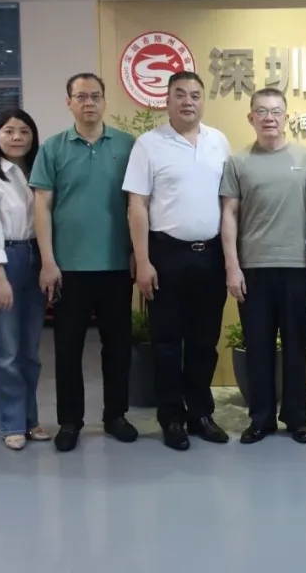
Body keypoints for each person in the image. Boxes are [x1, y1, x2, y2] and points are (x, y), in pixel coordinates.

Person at [124, 71, 231, 451]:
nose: (188, 101)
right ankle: (171, 417)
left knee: (205, 342)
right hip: (166, 254)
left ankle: (201, 413)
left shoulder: (218, 141)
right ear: (167, 101)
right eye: (180, 95)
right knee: (167, 343)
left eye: (195, 95)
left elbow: (228, 203)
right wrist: (143, 260)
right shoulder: (149, 144)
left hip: (211, 255)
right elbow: (137, 205)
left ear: (203, 101)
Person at [30, 73, 137, 452]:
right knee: (68, 348)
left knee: (118, 347)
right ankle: (70, 421)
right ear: (69, 103)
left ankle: (115, 415)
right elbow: (42, 206)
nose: (88, 102)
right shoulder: (53, 148)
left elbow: (138, 204)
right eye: (81, 97)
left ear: (105, 101)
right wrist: (48, 261)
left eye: (95, 96)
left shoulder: (127, 146)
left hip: (116, 265)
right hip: (69, 268)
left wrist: (138, 254)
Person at [220, 87, 306, 444]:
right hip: (253, 269)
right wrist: (232, 267)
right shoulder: (238, 161)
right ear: (251, 118)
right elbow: (229, 215)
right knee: (258, 345)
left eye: (276, 111)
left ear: (287, 117)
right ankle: (260, 419)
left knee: (296, 345)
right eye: (261, 111)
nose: (269, 118)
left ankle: (296, 418)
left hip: (297, 267)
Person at [0, 108, 51, 451]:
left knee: (30, 350)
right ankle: (11, 424)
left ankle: (30, 420)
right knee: (8, 350)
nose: (17, 137)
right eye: (9, 131)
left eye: (24, 131)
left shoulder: (37, 172)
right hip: (7, 260)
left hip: (37, 258)